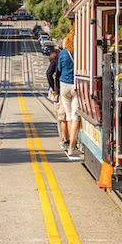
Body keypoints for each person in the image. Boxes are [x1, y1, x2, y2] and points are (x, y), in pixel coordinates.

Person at [56, 31, 81, 160]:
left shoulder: (63, 53)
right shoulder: (80, 52)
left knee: (69, 116)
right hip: (76, 85)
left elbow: (59, 69)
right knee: (75, 116)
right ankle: (72, 147)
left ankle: (73, 144)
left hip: (64, 85)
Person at [46, 47, 69, 150]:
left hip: (59, 92)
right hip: (65, 89)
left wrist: (54, 87)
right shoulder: (63, 56)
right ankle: (69, 140)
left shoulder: (58, 57)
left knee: (61, 117)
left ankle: (64, 140)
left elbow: (49, 73)